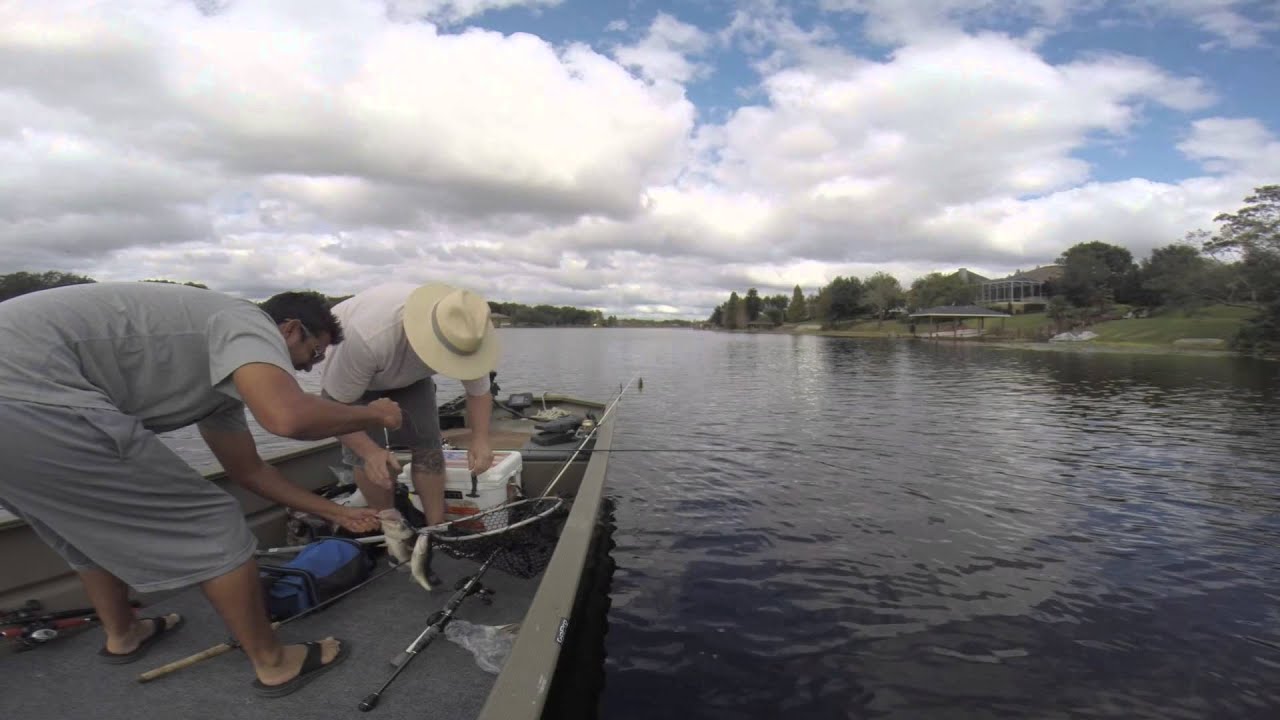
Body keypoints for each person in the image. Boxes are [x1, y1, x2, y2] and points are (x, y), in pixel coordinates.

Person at [0, 282, 402, 697]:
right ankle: (274, 662)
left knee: (83, 528)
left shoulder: (219, 380)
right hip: (28, 393)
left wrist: (337, 512)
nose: (306, 369)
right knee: (216, 521)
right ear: (289, 329)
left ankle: (124, 633)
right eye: (313, 354)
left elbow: (249, 471)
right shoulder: (247, 320)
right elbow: (288, 418)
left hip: (18, 401)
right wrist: (373, 413)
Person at [320, 282, 499, 527]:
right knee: (369, 455)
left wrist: (480, 440)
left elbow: (479, 392)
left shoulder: (468, 329)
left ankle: (436, 529)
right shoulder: (367, 336)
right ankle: (391, 525)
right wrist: (370, 452)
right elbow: (333, 407)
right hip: (353, 381)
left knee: (428, 446)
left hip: (411, 377)